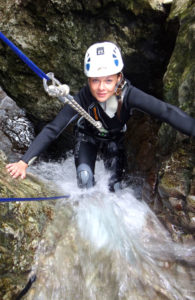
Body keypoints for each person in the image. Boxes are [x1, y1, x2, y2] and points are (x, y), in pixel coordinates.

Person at [6, 41, 195, 191]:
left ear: (119, 78)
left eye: (108, 80)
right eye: (95, 80)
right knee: (85, 180)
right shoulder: (83, 97)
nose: (101, 87)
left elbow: (166, 111)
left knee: (116, 188)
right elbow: (54, 128)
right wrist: (24, 162)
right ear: (88, 80)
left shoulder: (130, 95)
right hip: (86, 137)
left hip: (114, 139)